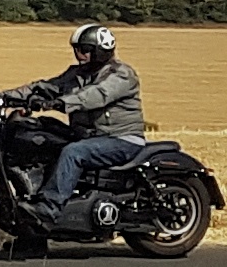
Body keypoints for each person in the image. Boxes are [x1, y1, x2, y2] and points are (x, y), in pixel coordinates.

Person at [16, 22, 145, 236]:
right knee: (41, 130)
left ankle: (49, 209)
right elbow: (45, 87)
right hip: (88, 136)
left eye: (84, 49)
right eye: (76, 49)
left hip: (121, 139)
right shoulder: (76, 74)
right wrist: (3, 97)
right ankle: (32, 230)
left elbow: (96, 95)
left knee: (73, 152)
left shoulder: (122, 74)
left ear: (100, 51)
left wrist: (60, 103)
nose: (79, 54)